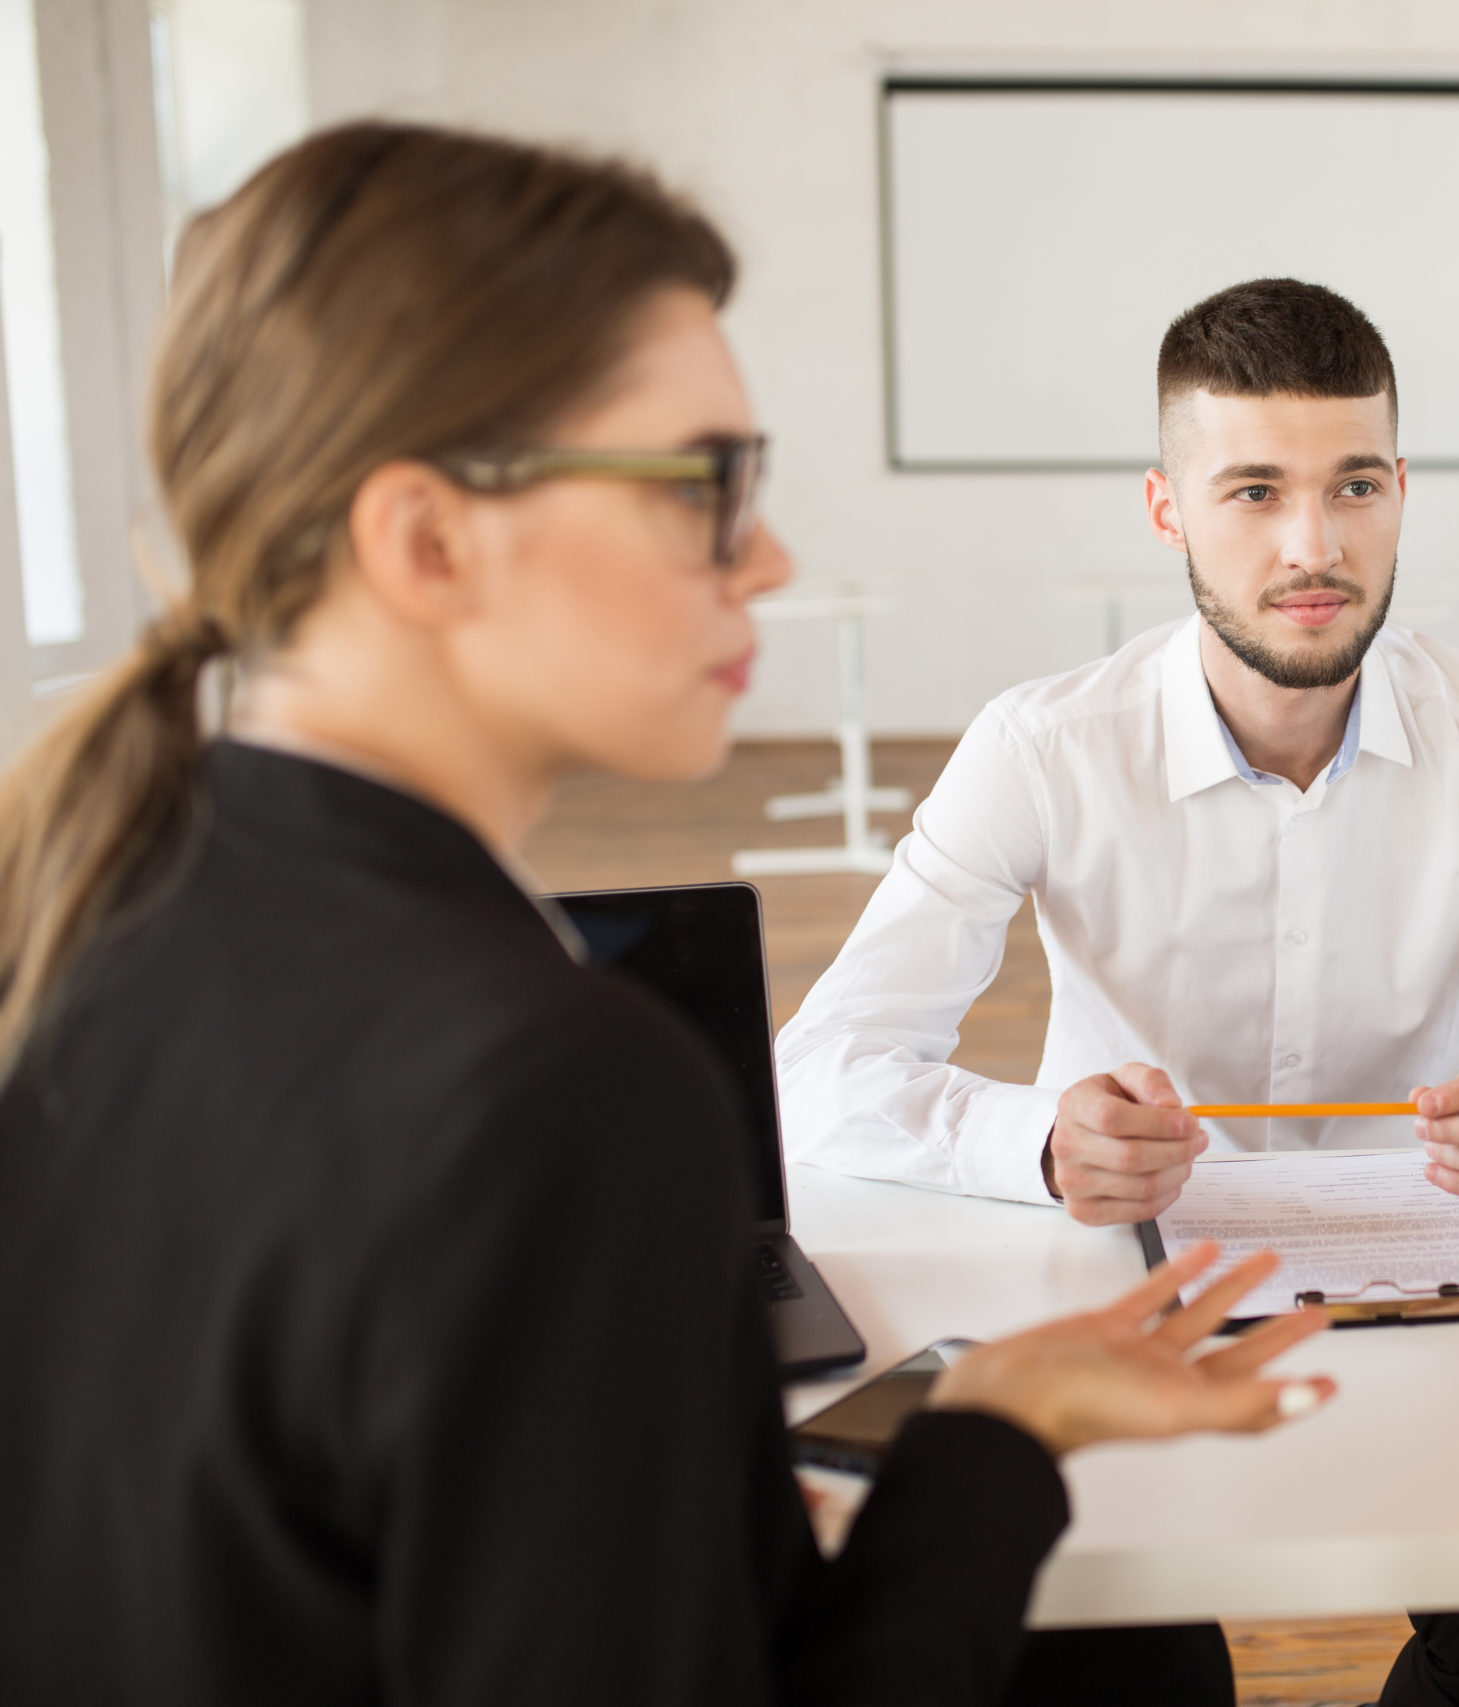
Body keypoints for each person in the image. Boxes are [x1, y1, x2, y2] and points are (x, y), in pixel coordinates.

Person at [0, 121, 1336, 1707]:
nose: (767, 557)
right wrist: (996, 1438)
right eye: (709, 483)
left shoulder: (83, 921)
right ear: (425, 538)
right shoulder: (552, 1089)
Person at [779, 278, 1459, 1222]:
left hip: (1425, 1255)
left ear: (1401, 489)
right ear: (1167, 511)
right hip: (1129, 1258)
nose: (1315, 548)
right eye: (1256, 492)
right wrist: (1039, 1146)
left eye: (1356, 487)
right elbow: (819, 1067)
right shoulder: (1039, 750)